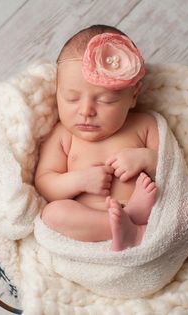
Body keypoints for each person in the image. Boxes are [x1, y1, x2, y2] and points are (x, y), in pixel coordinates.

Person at [34, 25, 159, 251]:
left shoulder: (145, 124)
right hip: (89, 224)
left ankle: (132, 224)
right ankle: (126, 227)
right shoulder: (62, 135)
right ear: (57, 91)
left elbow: (174, 167)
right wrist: (79, 181)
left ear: (133, 96)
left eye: (106, 101)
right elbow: (45, 183)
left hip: (150, 214)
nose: (86, 111)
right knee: (52, 214)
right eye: (71, 98)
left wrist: (147, 159)